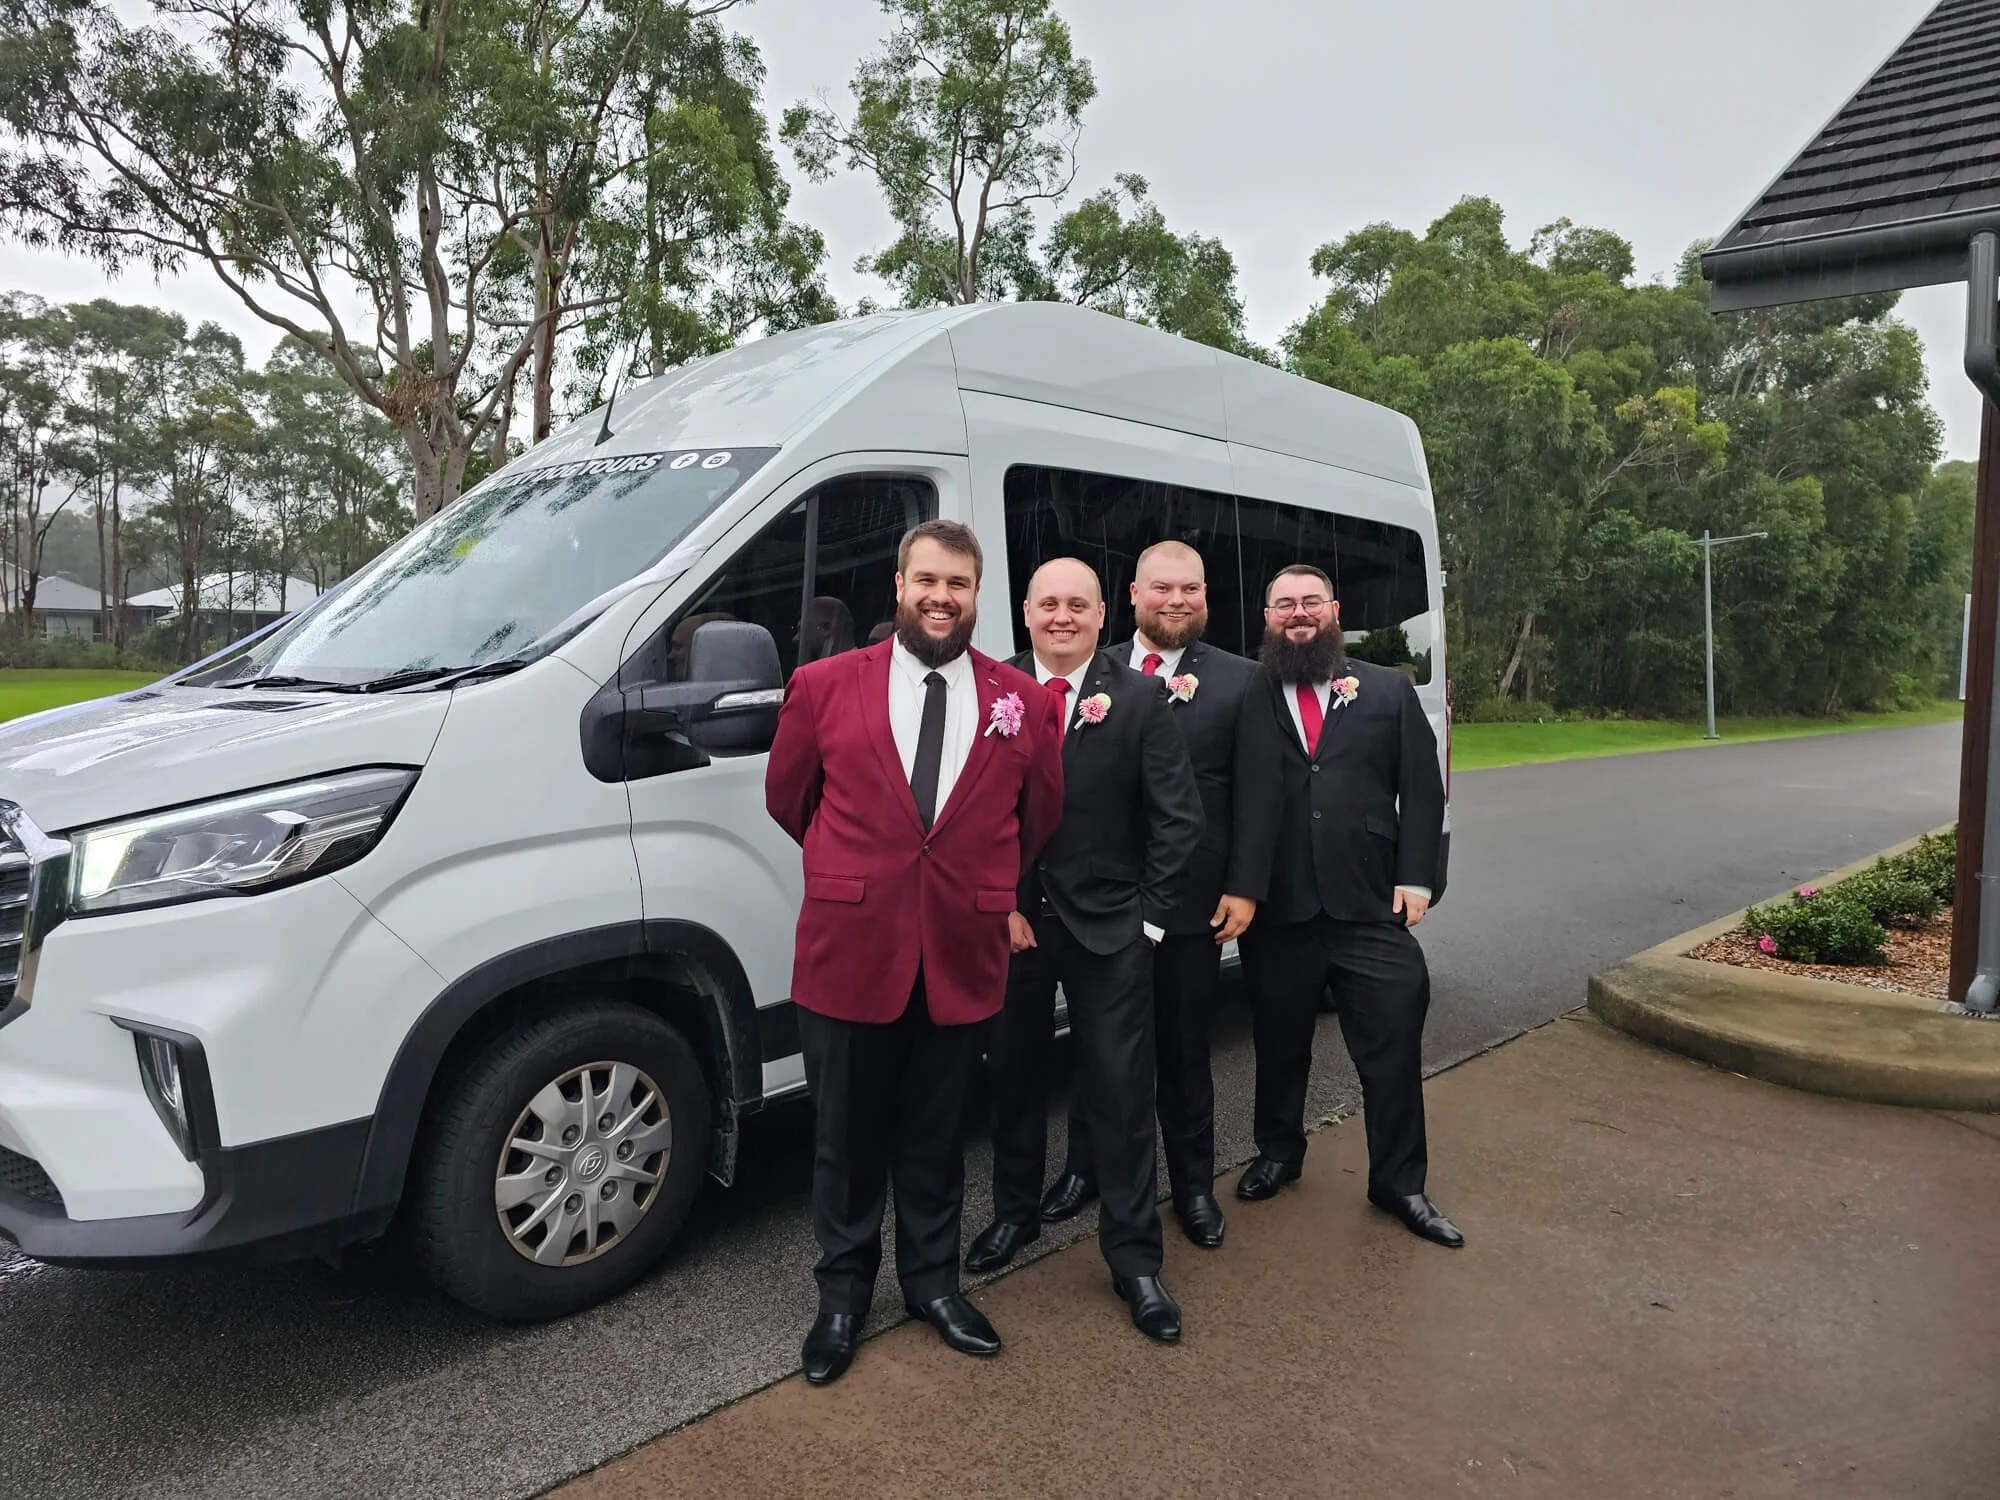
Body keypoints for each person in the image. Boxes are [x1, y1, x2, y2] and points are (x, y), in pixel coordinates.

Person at [765, 519, 1066, 1386]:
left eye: (959, 585)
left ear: (978, 597)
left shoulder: (1023, 700)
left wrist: (980, 882)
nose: (942, 597)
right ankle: (843, 1297)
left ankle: (931, 1283)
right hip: (850, 948)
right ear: (898, 586)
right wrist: (860, 871)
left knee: (936, 1135)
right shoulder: (822, 686)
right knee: (845, 1139)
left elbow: (1038, 815)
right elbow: (791, 799)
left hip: (962, 952)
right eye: (927, 580)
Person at [964, 557, 1204, 1343]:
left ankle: (1135, 1259)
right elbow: (970, 815)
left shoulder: (1139, 697)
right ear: (1025, 612)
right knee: (1014, 1079)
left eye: (1077, 604)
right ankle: (1014, 1214)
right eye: (1047, 604)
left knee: (1121, 1092)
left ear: (1104, 616)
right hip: (1018, 927)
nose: (1061, 616)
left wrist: (1151, 924)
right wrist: (999, 904)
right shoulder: (988, 689)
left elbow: (1178, 821)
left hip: (1112, 932)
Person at [1229, 563, 1462, 1248]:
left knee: (1390, 1047)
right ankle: (1277, 1152)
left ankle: (1400, 1182)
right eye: (1283, 605)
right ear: (1266, 617)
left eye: (1310, 602)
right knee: (1278, 1046)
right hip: (1279, 909)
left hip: (1369, 907)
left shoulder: (1387, 688)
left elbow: (1422, 789)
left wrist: (1417, 877)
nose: (1298, 614)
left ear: (1333, 611)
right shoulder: (1243, 690)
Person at [1038, 541, 1259, 1250]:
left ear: (1204, 595)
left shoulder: (1238, 680)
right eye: (1161, 588)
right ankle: (1085, 1167)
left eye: (1189, 589)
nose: (1175, 600)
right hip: (1092, 906)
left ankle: (1193, 1185)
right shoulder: (1093, 667)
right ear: (1130, 597)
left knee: (1182, 1048)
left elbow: (1261, 792)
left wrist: (1244, 887)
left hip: (1189, 906)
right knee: (1097, 1048)